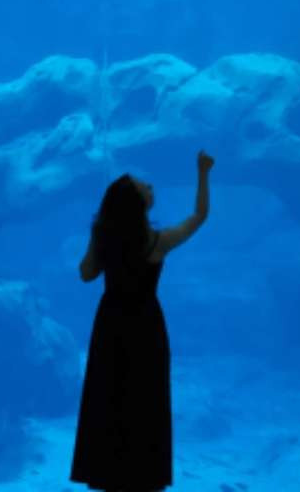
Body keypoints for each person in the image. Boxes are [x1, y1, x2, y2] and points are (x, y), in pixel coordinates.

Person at [70, 150, 214, 492]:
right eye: (143, 186)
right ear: (138, 204)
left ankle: (108, 473)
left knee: (108, 397)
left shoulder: (106, 239)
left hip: (111, 325)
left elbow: (86, 273)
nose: (150, 186)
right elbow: (198, 216)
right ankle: (143, 476)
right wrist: (203, 173)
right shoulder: (157, 242)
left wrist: (97, 232)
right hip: (146, 327)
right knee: (145, 400)